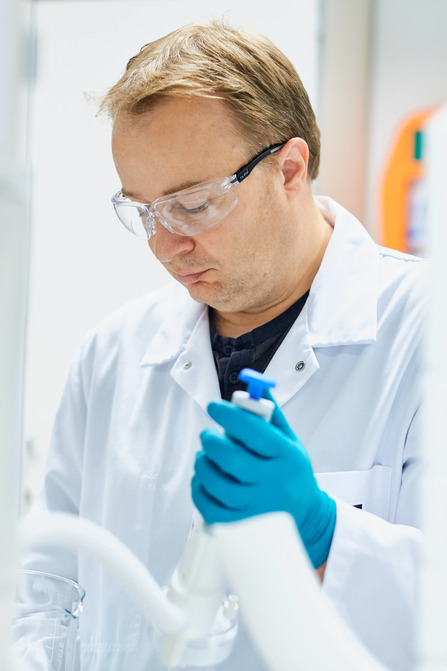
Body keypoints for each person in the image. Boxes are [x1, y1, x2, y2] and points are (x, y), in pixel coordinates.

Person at [25, 20, 425, 671]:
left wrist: (326, 534)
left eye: (192, 204)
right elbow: (42, 594)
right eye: (144, 211)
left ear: (289, 168)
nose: (164, 244)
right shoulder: (112, 355)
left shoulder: (421, 330)